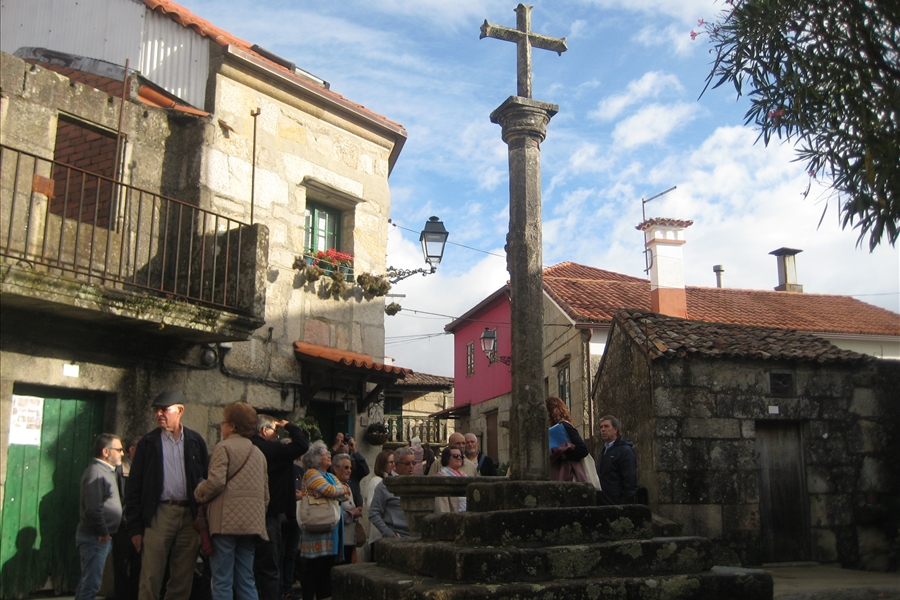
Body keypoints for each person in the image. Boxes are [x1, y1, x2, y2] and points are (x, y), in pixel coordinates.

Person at [126, 390, 209, 600]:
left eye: (164, 410)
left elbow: (206, 478)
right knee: (151, 574)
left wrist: (202, 516)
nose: (159, 414)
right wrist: (135, 527)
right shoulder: (148, 443)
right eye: (156, 410)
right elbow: (133, 487)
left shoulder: (195, 441)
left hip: (189, 516)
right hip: (159, 513)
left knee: (183, 576)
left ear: (180, 411)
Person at [194, 402, 269, 600]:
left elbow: (216, 482)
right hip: (251, 524)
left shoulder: (224, 447)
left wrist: (199, 491)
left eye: (224, 423)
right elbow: (265, 495)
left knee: (222, 580)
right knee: (246, 578)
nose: (222, 427)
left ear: (232, 426)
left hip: (225, 523)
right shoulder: (258, 454)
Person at [250, 415, 309, 600]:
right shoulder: (271, 449)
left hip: (248, 512)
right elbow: (302, 444)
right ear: (264, 431)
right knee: (270, 566)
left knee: (248, 565)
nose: (277, 436)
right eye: (275, 431)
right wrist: (289, 426)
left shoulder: (248, 447)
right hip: (270, 513)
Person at [74, 434, 124, 600]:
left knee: (88, 582)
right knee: (91, 584)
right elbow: (93, 508)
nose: (122, 453)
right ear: (105, 452)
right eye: (118, 450)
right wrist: (103, 532)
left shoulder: (107, 471)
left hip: (100, 537)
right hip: (95, 538)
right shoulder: (97, 472)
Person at [298, 441, 348, 600]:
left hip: (331, 531)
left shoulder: (330, 476)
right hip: (317, 530)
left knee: (326, 573)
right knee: (313, 570)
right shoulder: (311, 473)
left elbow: (346, 493)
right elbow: (329, 490)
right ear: (315, 458)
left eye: (328, 452)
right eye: (324, 453)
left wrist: (334, 491)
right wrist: (334, 491)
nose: (329, 455)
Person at [113, 435, 142, 600]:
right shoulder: (120, 471)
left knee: (139, 568)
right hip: (124, 527)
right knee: (122, 569)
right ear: (132, 450)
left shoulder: (145, 470)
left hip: (140, 526)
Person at [368, 447, 414, 540]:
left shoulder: (414, 484)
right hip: (396, 536)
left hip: (413, 535)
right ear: (397, 465)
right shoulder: (384, 485)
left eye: (413, 463)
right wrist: (390, 534)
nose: (411, 466)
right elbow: (373, 513)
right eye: (407, 463)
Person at [359, 449, 394, 562]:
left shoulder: (391, 479)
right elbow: (371, 506)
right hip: (379, 533)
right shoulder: (376, 482)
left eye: (394, 462)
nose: (393, 465)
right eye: (390, 462)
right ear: (382, 464)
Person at [596, 415, 638, 505]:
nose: (603, 430)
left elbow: (630, 481)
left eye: (606, 426)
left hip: (616, 504)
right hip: (604, 503)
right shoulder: (604, 452)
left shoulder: (625, 451)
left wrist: (624, 505)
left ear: (615, 430)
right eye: (601, 427)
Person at [546, 397, 590, 483]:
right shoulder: (555, 428)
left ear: (552, 411)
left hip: (569, 474)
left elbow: (583, 449)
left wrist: (563, 454)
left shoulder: (564, 426)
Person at [332, 453, 362, 564]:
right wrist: (352, 513)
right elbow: (333, 515)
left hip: (349, 540)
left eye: (350, 468)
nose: (349, 471)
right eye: (346, 467)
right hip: (339, 542)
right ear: (335, 469)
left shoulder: (348, 486)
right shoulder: (332, 488)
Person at [433, 447, 467, 513]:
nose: (459, 458)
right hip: (453, 516)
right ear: (447, 458)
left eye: (461, 456)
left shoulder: (464, 475)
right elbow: (442, 507)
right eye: (455, 456)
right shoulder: (441, 477)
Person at [345, 436, 369, 508]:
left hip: (355, 506)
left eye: (345, 443)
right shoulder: (331, 465)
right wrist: (335, 447)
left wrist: (355, 450)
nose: (348, 470)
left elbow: (365, 470)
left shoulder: (354, 465)